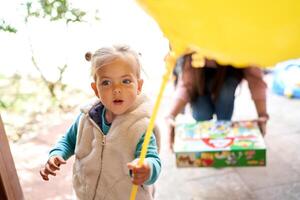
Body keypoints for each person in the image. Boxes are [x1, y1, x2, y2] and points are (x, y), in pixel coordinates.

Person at [40, 44, 161, 200]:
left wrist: (146, 168)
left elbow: (153, 159)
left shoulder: (141, 126)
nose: (117, 89)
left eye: (125, 81)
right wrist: (57, 154)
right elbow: (68, 140)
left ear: (139, 86)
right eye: (106, 83)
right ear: (96, 89)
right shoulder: (86, 118)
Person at [166, 53, 268, 150]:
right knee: (202, 114)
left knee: (226, 92)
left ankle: (224, 129)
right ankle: (210, 137)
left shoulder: (240, 45)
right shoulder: (195, 47)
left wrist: (262, 114)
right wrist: (171, 115)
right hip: (200, 83)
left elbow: (255, 78)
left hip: (227, 77)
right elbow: (187, 84)